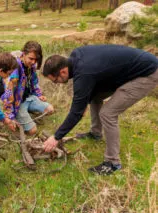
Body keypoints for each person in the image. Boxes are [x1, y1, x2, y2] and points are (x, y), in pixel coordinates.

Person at [42, 44, 158, 175]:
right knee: (94, 97)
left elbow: (76, 113)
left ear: (63, 71)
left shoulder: (84, 73)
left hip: (146, 73)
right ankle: (96, 133)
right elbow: (90, 86)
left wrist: (56, 137)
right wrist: (83, 103)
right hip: (125, 71)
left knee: (108, 113)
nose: (56, 84)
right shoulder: (76, 57)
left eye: (55, 80)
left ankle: (112, 163)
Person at [1, 41, 54, 135]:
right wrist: (9, 115)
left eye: (36, 59)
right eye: (31, 58)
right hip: (18, 103)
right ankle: (17, 116)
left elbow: (34, 82)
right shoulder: (15, 68)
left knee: (50, 110)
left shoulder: (31, 66)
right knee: (33, 131)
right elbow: (8, 93)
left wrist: (39, 95)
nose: (33, 62)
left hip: (29, 98)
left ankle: (28, 112)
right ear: (24, 54)